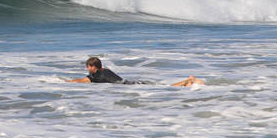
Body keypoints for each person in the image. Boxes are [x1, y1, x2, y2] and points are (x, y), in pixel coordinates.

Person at [68, 56, 204, 86]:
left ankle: (188, 81)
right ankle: (188, 82)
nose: (87, 68)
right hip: (132, 84)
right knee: (165, 87)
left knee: (167, 88)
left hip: (130, 86)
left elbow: (83, 80)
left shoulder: (97, 74)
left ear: (93, 67)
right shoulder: (104, 71)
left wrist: (67, 82)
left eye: (88, 66)